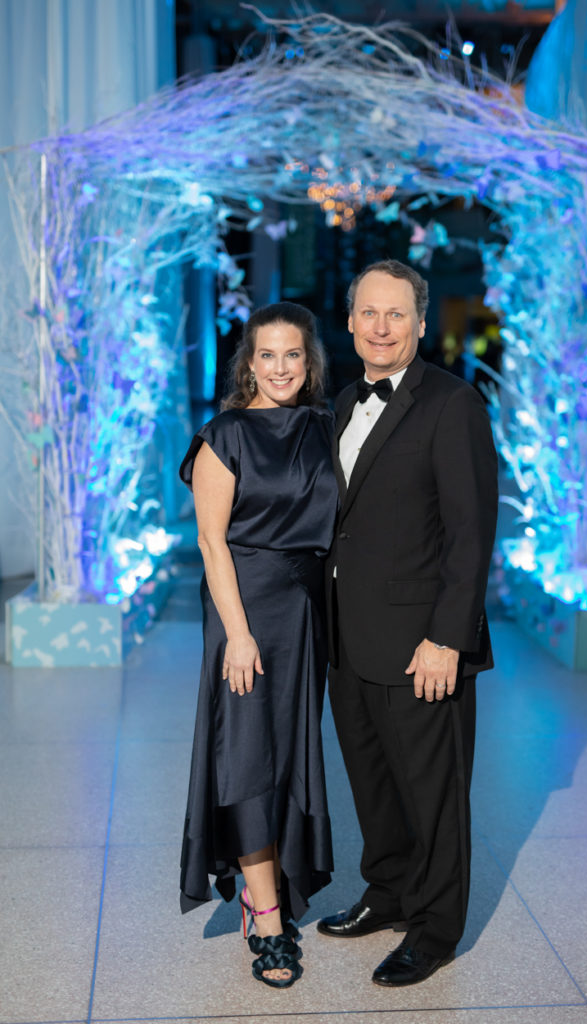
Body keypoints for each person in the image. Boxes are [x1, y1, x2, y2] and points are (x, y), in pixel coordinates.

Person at [317, 260, 498, 987]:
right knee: (373, 784)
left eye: (396, 314)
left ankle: (433, 929)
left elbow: (470, 532)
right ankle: (387, 891)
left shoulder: (453, 405)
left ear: (420, 323)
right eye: (368, 312)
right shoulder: (340, 403)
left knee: (433, 794)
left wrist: (447, 638)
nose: (381, 327)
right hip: (348, 637)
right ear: (352, 319)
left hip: (423, 643)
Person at [178, 302, 338, 989]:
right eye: (267, 355)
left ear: (310, 364)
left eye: (292, 355)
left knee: (289, 754)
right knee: (247, 754)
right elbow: (212, 541)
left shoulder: (327, 428)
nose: (279, 367)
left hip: (308, 614)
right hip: (246, 610)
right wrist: (237, 636)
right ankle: (265, 912)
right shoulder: (225, 435)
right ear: (249, 362)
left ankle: (272, 882)